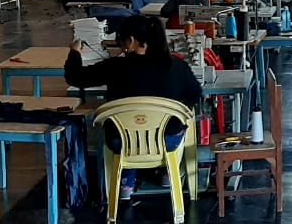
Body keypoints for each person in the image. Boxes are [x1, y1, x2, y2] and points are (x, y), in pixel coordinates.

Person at [65, 14, 202, 199]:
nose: (121, 48)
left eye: (121, 43)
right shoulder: (177, 66)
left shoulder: (114, 67)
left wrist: (74, 52)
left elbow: (75, 77)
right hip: (166, 141)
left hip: (122, 142)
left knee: (128, 129)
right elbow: (195, 95)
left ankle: (126, 180)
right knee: (176, 125)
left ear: (130, 41)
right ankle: (167, 171)